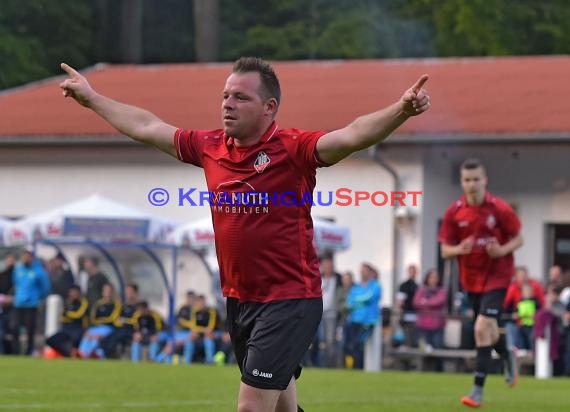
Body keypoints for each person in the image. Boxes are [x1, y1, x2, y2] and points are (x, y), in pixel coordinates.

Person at [60, 57, 430, 412]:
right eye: (225, 96)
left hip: (289, 300)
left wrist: (401, 110)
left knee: (252, 406)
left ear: (269, 107)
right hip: (239, 301)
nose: (227, 105)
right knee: (282, 407)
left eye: (240, 97)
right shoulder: (210, 147)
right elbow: (146, 126)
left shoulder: (292, 148)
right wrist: (92, 98)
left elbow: (352, 135)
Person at [438, 158, 523, 408]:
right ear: (462, 183)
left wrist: (502, 249)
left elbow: (519, 239)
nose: (472, 184)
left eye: (476, 179)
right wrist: (458, 249)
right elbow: (444, 251)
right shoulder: (454, 212)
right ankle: (508, 355)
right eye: (467, 180)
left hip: (498, 276)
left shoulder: (500, 209)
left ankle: (477, 390)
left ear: (484, 180)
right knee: (488, 329)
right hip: (470, 280)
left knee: (480, 327)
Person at [12, 245, 51, 355]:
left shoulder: (39, 271)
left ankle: (28, 352)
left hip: (32, 305)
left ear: (32, 257)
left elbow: (45, 288)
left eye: (28, 255)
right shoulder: (18, 269)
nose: (26, 257)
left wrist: (37, 298)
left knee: (30, 330)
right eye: (24, 255)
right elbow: (16, 283)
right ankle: (15, 352)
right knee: (14, 328)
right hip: (18, 303)